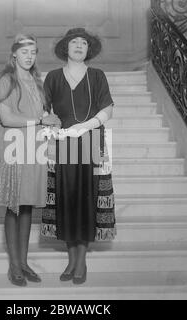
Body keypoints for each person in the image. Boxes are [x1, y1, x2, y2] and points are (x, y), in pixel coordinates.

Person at [41, 28, 116, 285]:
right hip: (63, 145)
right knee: (67, 199)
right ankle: (71, 260)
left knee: (86, 200)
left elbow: (108, 109)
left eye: (84, 42)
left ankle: (81, 262)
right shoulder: (52, 77)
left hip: (91, 141)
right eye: (74, 41)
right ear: (65, 47)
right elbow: (43, 110)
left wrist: (85, 126)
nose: (79, 45)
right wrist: (52, 127)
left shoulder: (97, 76)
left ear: (89, 49)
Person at [0, 34, 61, 287]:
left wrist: (50, 119)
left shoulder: (36, 81)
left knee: (27, 205)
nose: (30, 57)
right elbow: (7, 119)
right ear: (14, 54)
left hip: (34, 146)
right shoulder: (6, 80)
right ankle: (14, 266)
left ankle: (24, 262)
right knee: (14, 205)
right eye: (25, 52)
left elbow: (41, 113)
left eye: (34, 52)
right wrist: (40, 121)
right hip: (13, 146)